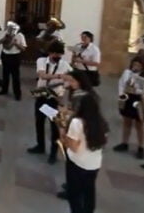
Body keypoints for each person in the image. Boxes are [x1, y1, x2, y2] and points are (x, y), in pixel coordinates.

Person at [58, 78, 108, 213]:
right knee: (89, 192)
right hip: (94, 163)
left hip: (77, 163)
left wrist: (63, 134)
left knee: (74, 195)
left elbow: (73, 146)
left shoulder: (77, 123)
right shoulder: (101, 122)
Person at [28, 41, 73, 164]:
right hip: (42, 95)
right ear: (50, 53)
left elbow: (72, 79)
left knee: (54, 127)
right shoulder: (41, 61)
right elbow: (42, 75)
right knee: (39, 122)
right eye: (55, 54)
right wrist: (60, 76)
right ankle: (40, 146)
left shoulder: (65, 65)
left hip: (54, 98)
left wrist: (66, 84)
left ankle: (53, 153)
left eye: (59, 55)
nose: (57, 57)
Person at [112, 57, 144, 159]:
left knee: (139, 125)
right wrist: (121, 95)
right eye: (134, 65)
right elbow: (121, 83)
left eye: (138, 65)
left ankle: (141, 147)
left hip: (139, 100)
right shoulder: (127, 73)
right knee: (126, 121)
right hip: (127, 98)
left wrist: (137, 90)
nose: (136, 67)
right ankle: (124, 143)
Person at [0, 21, 26, 101]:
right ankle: (4, 90)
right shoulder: (6, 33)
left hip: (14, 57)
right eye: (9, 27)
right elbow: (0, 43)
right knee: (5, 74)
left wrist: (15, 43)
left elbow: (23, 48)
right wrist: (4, 38)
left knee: (15, 76)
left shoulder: (20, 35)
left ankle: (17, 94)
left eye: (11, 27)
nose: (9, 29)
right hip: (5, 55)